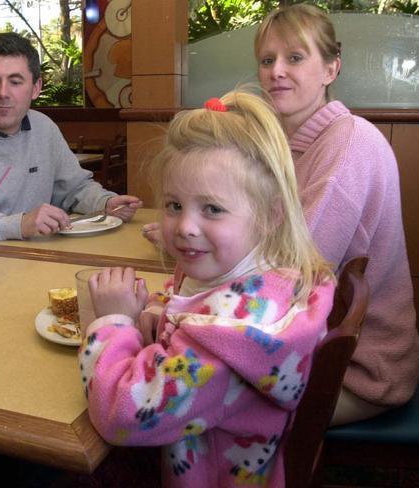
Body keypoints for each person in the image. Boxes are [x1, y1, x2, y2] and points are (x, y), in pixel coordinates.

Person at [80, 90, 336, 487]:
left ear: (270, 216)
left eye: (212, 209)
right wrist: (150, 316)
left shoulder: (228, 337)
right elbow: (188, 298)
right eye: (173, 205)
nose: (185, 227)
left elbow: (119, 415)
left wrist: (113, 323)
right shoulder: (259, 275)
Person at [254, 3, 419, 425]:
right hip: (306, 345)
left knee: (200, 399)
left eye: (294, 57)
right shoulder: (291, 148)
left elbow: (293, 274)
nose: (276, 71)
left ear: (331, 69)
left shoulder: (348, 143)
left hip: (358, 369)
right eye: (267, 60)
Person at [0, 32, 141, 241]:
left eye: (15, 82)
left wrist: (106, 202)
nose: (3, 93)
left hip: (42, 257)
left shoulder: (44, 128)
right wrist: (19, 225)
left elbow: (74, 188)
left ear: (36, 87)